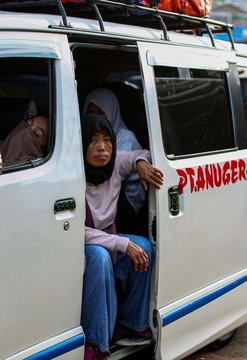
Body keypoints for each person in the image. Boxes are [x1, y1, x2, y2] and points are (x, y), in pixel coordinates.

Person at [81, 114, 164, 360]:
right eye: (93, 141)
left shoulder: (114, 162)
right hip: (81, 243)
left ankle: (135, 324)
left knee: (144, 247)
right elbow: (76, 231)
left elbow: (144, 153)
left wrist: (140, 164)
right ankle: (96, 344)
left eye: (107, 140)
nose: (102, 147)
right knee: (99, 256)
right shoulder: (72, 174)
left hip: (108, 237)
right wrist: (120, 243)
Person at [83, 88, 146, 234]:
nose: (95, 118)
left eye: (100, 113)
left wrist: (140, 161)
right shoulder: (83, 136)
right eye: (90, 112)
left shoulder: (125, 138)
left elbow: (109, 169)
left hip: (124, 201)